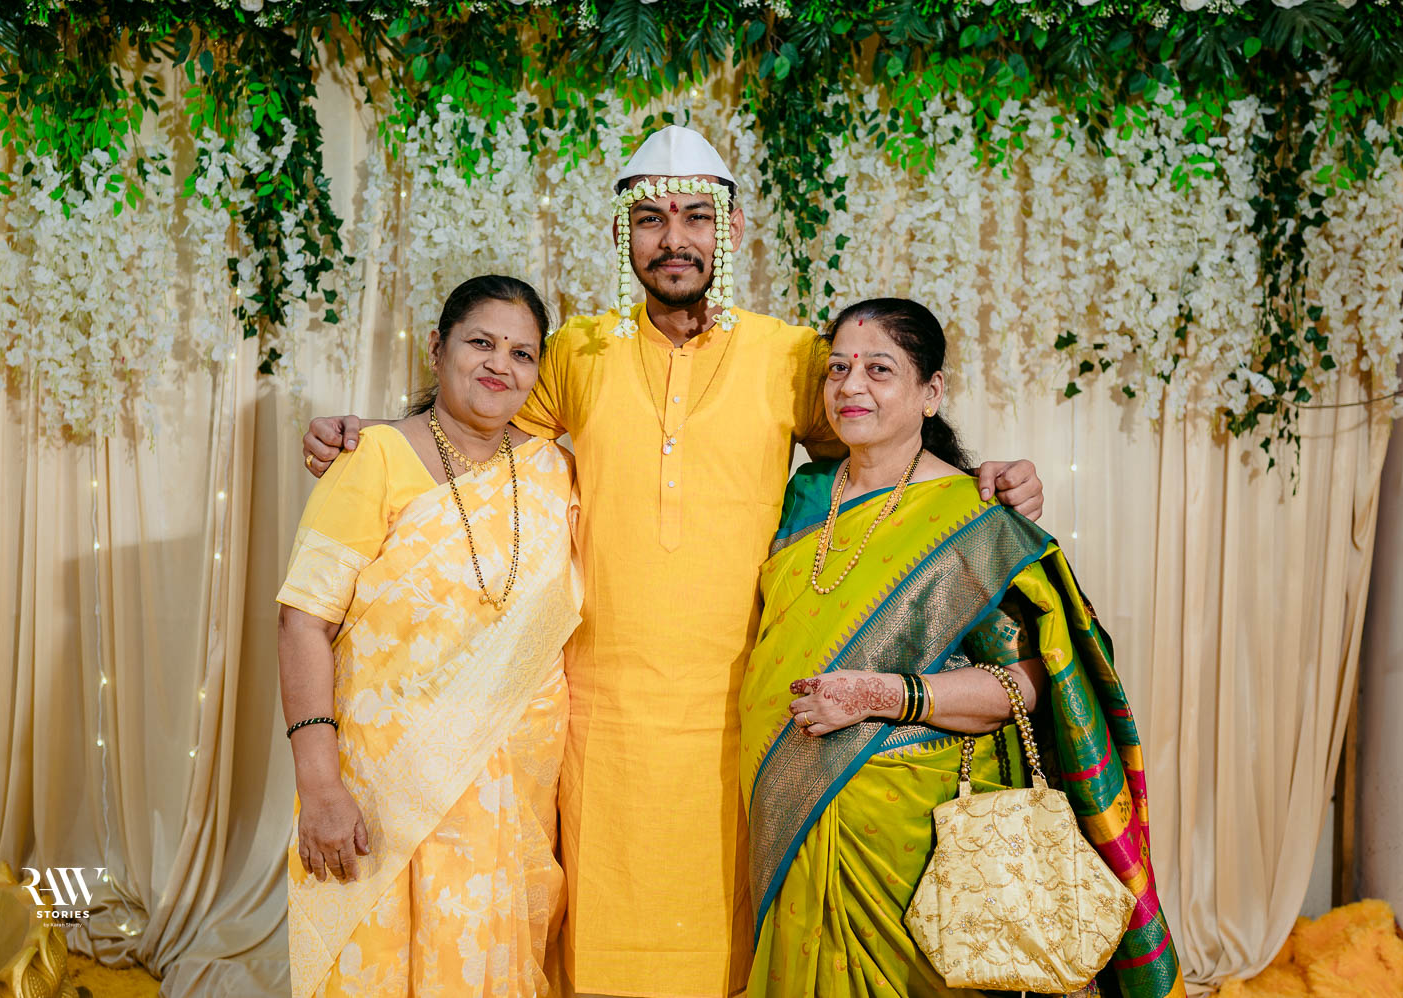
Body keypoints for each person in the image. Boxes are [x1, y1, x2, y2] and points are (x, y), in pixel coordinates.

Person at [302, 127, 1046, 998]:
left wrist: (980, 476)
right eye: (651, 219)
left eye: (696, 216)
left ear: (732, 229)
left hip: (743, 714)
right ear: (623, 234)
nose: (674, 238)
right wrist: (374, 433)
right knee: (602, 948)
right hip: (598, 718)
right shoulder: (578, 352)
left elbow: (882, 444)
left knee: (725, 948)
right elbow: (473, 426)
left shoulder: (790, 357)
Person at [740, 297, 1185, 998]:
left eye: (879, 369)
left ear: (931, 392)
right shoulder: (803, 495)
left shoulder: (976, 520)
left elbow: (1035, 681)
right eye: (838, 369)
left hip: (914, 840)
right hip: (789, 810)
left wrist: (884, 694)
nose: (852, 386)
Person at [276, 276, 583, 998]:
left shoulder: (554, 470)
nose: (500, 365)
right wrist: (319, 785)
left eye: (522, 353)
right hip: (387, 785)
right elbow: (303, 620)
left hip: (518, 783)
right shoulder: (374, 457)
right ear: (437, 348)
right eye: (481, 343)